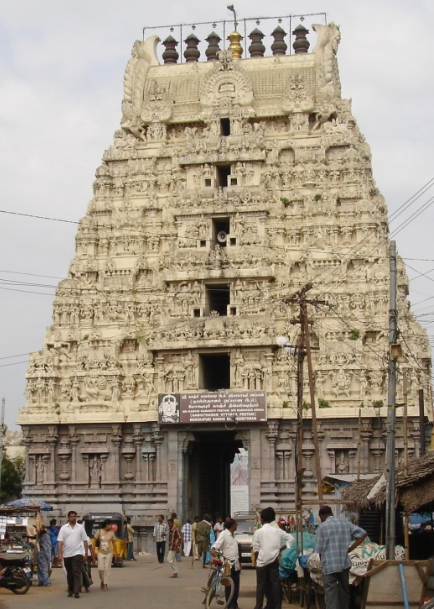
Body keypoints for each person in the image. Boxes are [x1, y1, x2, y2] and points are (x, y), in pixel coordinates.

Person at [315, 505, 367, 609]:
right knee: (344, 591)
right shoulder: (345, 523)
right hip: (344, 564)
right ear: (331, 513)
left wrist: (322, 564)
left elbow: (319, 549)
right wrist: (350, 548)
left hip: (329, 565)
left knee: (330, 594)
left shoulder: (322, 527)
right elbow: (363, 534)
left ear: (321, 516)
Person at [252, 507, 294, 609]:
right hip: (274, 561)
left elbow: (256, 549)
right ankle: (277, 606)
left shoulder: (258, 532)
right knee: (276, 584)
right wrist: (282, 548)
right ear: (273, 519)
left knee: (260, 586)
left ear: (261, 520)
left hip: (261, 562)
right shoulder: (278, 531)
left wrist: (258, 559)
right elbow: (291, 538)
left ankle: (258, 606)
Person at [57, 510, 89, 598]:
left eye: (74, 516)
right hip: (67, 554)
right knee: (70, 573)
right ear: (68, 518)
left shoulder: (80, 528)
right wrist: (60, 553)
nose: (73, 518)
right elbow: (60, 541)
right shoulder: (64, 528)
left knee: (76, 571)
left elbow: (85, 540)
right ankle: (70, 589)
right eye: (71, 517)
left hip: (77, 553)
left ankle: (76, 591)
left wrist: (85, 553)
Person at [211, 518, 241, 609]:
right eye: (236, 524)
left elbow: (235, 550)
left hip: (235, 564)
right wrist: (213, 550)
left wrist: (239, 563)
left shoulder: (233, 535)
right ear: (232, 525)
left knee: (236, 586)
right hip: (228, 565)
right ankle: (229, 605)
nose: (237, 525)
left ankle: (234, 604)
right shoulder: (224, 534)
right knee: (229, 586)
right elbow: (216, 545)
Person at [94, 519, 118, 591]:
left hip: (109, 552)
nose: (111, 526)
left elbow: (114, 543)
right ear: (106, 525)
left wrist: (116, 553)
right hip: (101, 552)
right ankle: (102, 580)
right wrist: (93, 552)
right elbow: (94, 542)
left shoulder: (112, 533)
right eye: (110, 525)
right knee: (101, 568)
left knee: (107, 568)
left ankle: (105, 584)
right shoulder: (99, 532)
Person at [77, 519, 95, 593]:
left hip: (87, 557)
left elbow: (91, 548)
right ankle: (79, 587)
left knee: (87, 572)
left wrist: (93, 558)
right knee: (79, 572)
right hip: (78, 556)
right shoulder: (75, 538)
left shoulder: (87, 538)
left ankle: (87, 586)